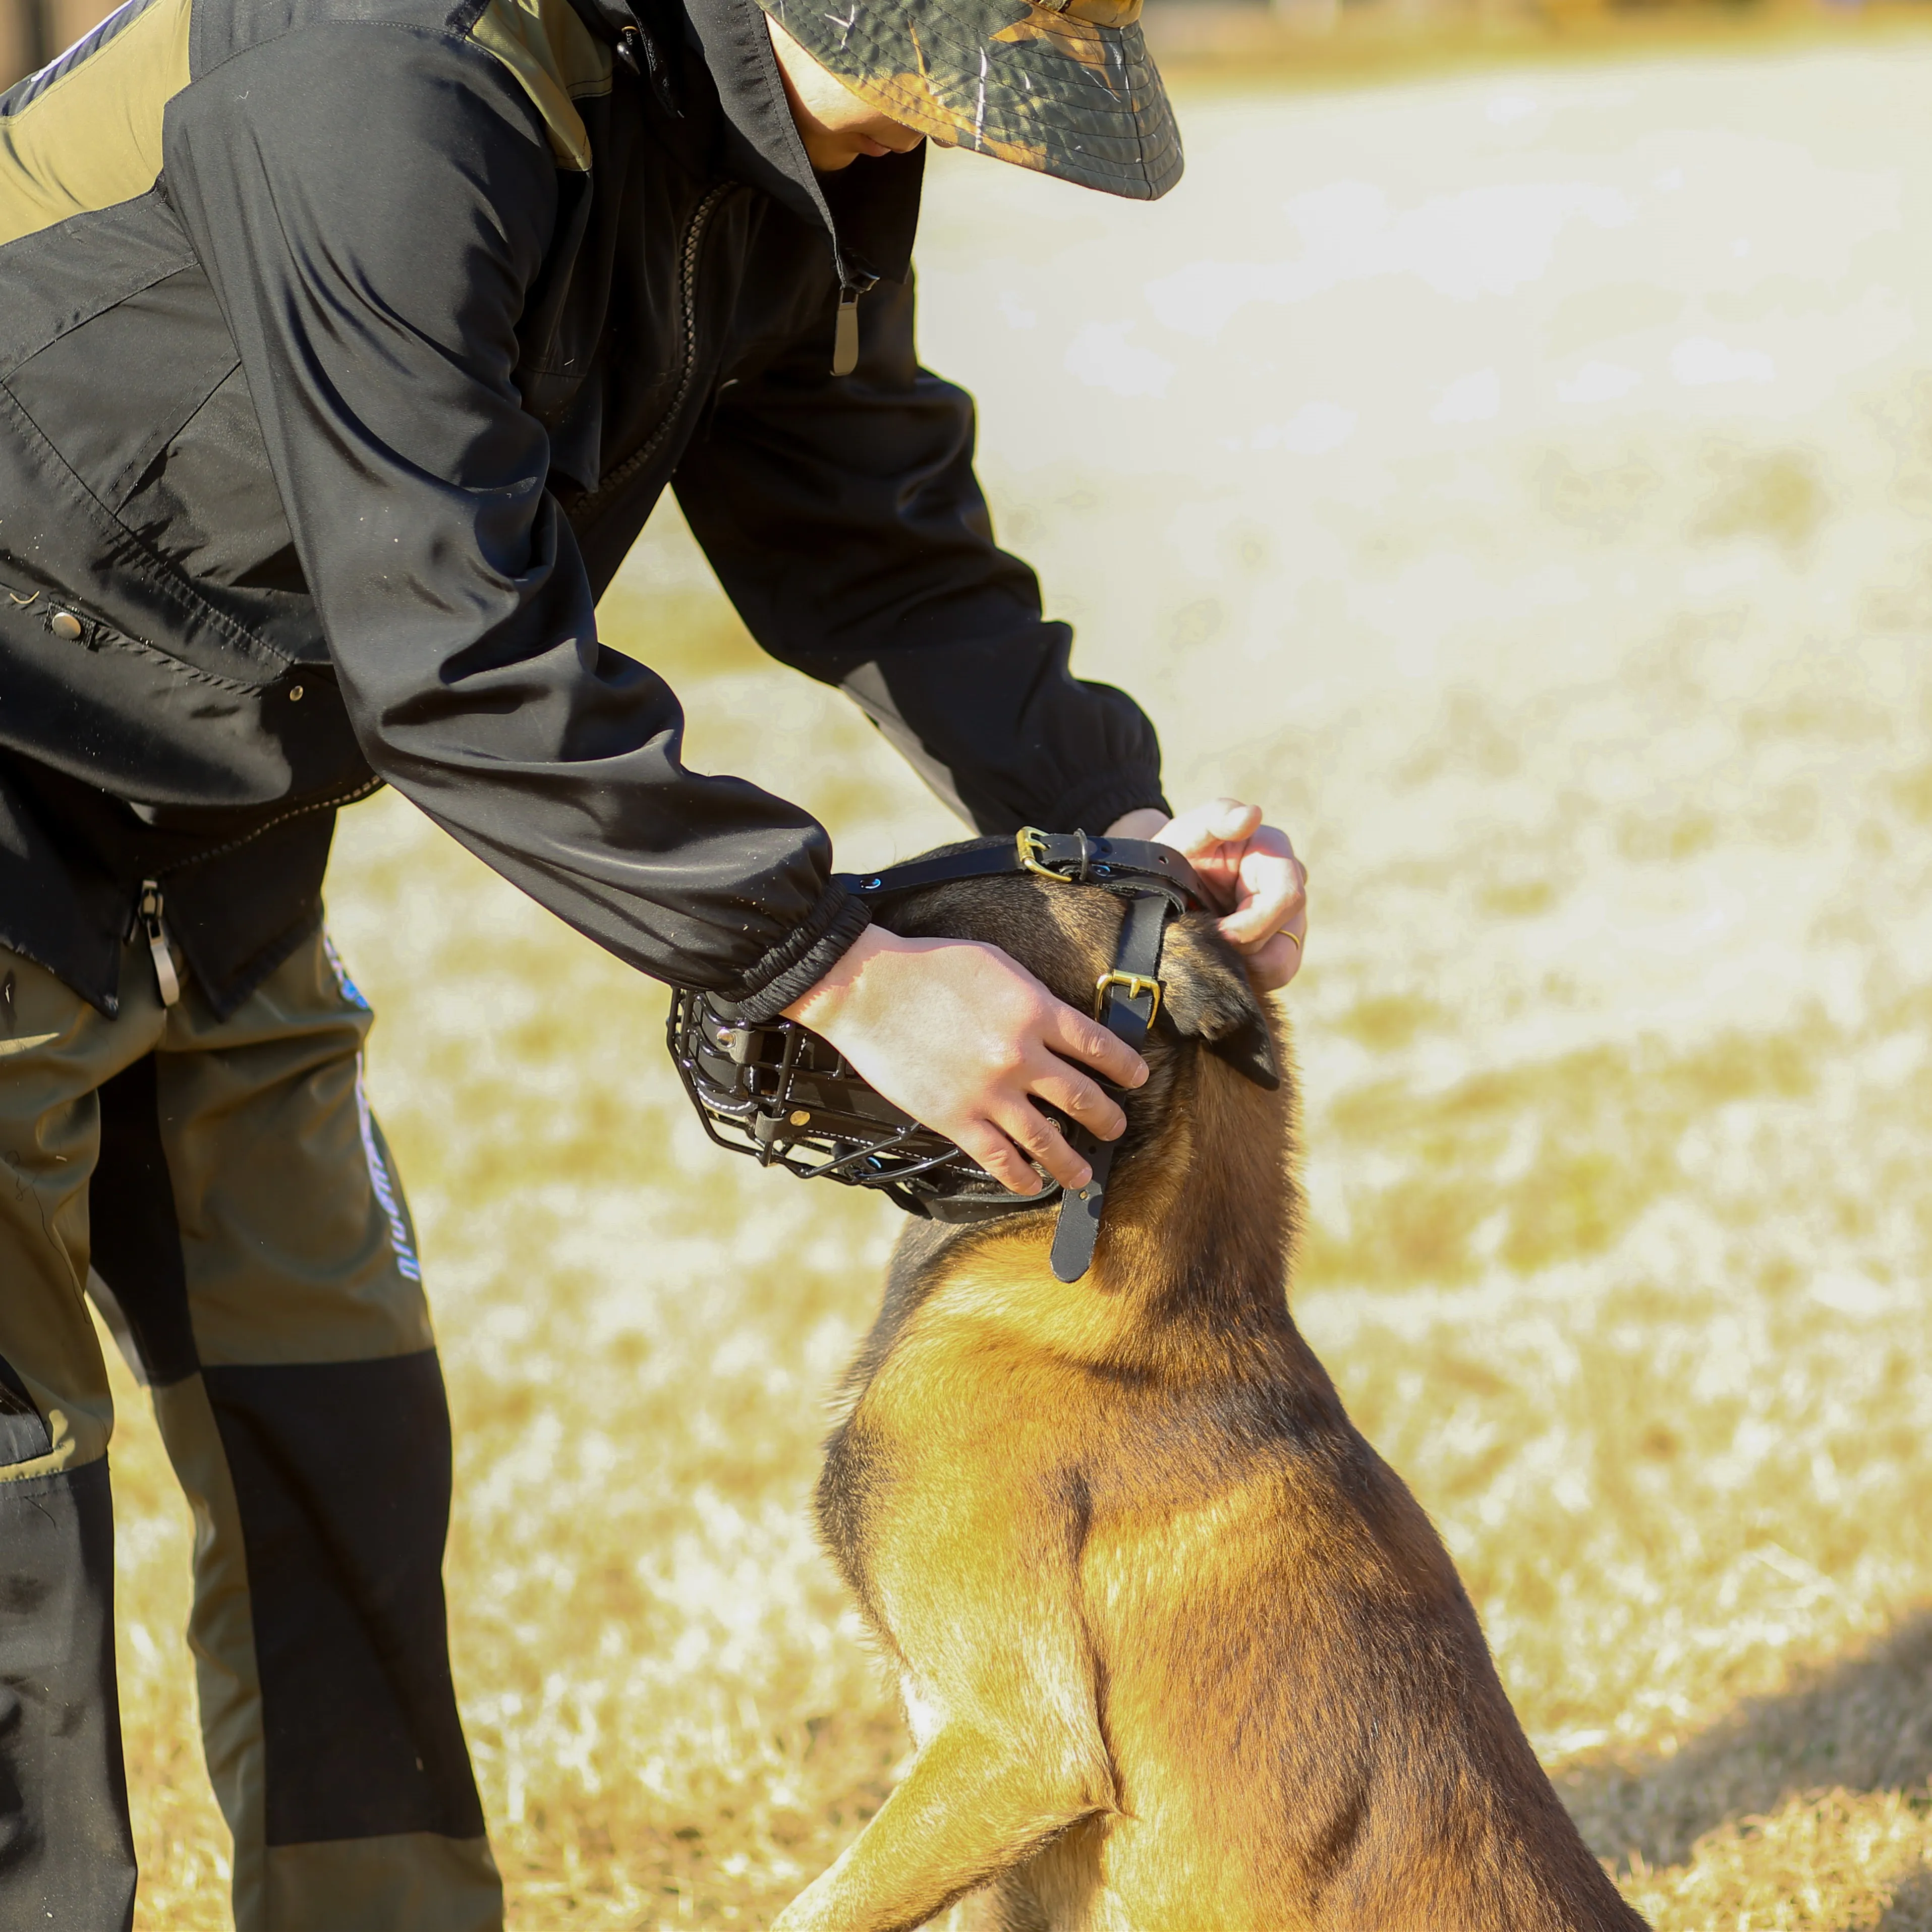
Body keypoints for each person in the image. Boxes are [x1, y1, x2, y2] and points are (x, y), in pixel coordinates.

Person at [0, 0, 1306, 1920]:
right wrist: (827, 964)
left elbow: (870, 539)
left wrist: (1124, 833)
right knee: (14, 1499)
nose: (916, 147)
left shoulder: (791, 136)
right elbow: (450, 651)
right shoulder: (390, 70)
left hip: (215, 825)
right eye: (909, 103)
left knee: (336, 1433)